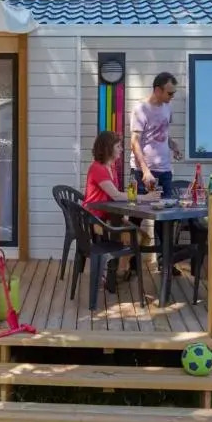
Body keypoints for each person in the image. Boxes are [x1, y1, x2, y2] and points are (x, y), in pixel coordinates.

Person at [84, 130, 159, 278]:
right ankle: (117, 272)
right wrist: (145, 198)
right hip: (95, 220)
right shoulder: (98, 168)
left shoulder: (111, 167)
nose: (122, 149)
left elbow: (115, 197)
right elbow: (116, 195)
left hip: (108, 217)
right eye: (118, 146)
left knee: (143, 236)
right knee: (135, 237)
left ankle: (119, 271)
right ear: (108, 148)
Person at [130, 72, 183, 197]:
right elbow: (134, 142)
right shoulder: (141, 109)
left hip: (165, 170)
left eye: (174, 93)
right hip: (143, 171)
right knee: (140, 208)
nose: (172, 96)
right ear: (158, 90)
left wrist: (173, 146)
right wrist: (145, 171)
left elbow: (161, 133)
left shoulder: (168, 107)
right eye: (170, 93)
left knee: (167, 207)